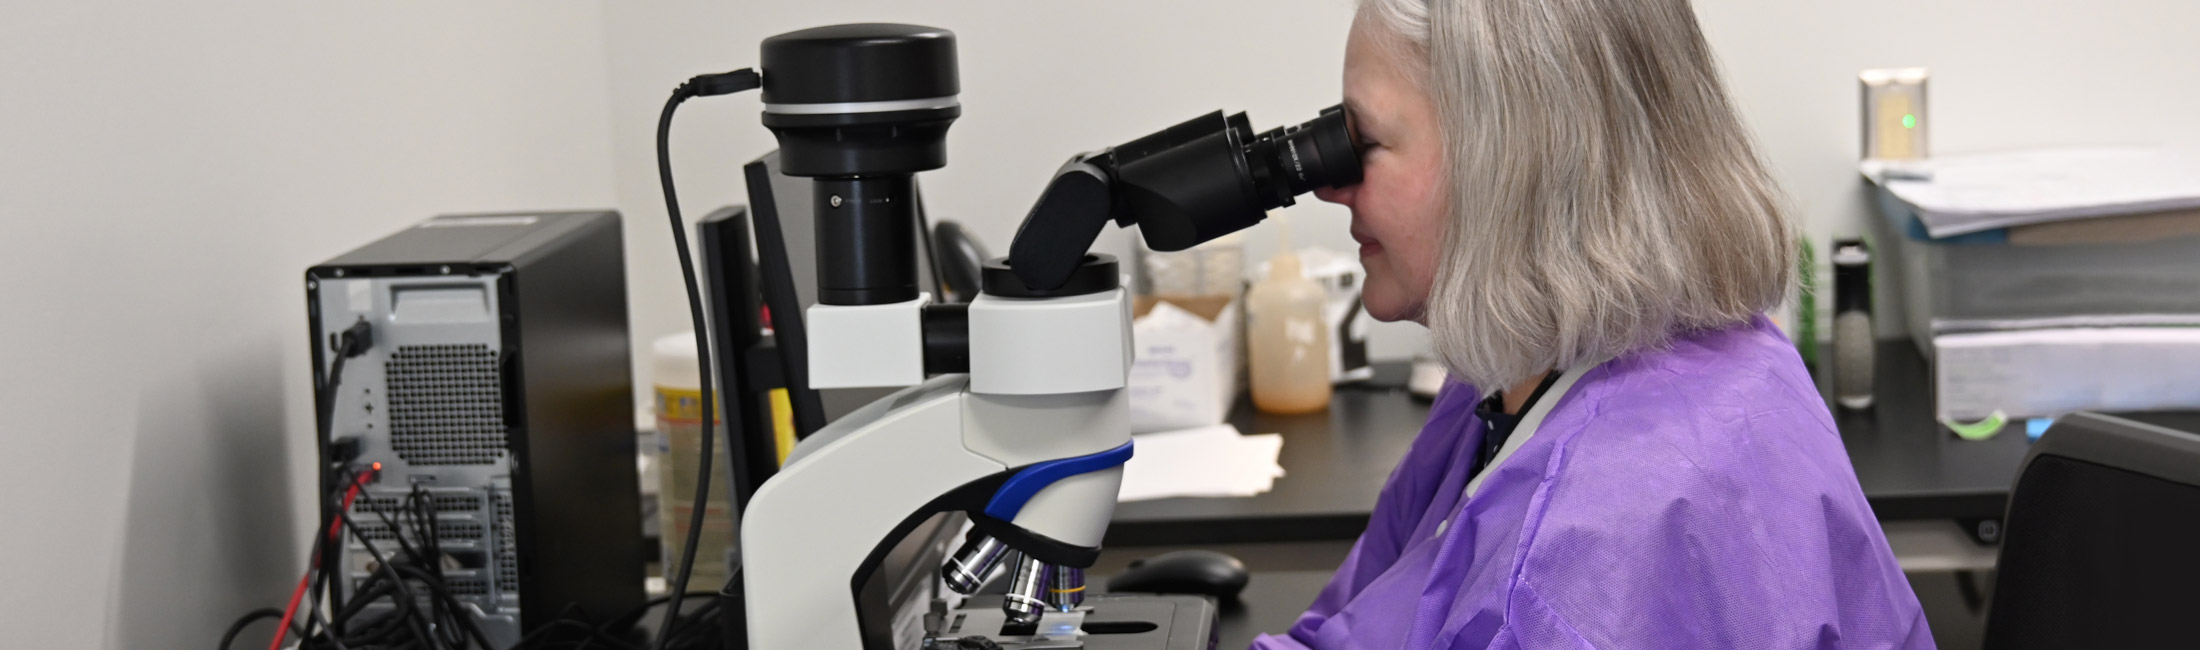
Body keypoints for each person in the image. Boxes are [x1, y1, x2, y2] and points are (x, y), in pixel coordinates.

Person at [1252, 0, 1934, 648]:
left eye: (1364, 142)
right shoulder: (1540, 376)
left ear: (1512, 161)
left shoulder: (1587, 549)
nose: (1330, 185)